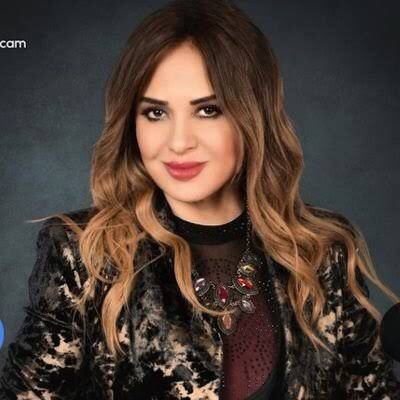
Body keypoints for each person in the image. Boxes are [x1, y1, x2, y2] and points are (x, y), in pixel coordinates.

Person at [1, 0, 399, 399]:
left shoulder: (321, 252)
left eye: (208, 110)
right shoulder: (85, 253)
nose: (178, 142)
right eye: (155, 113)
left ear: (253, 116)